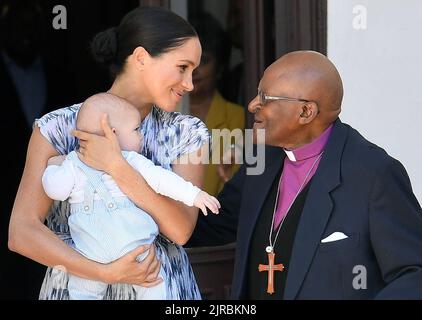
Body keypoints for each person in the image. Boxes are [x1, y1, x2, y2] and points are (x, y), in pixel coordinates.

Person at [9, 6, 209, 300]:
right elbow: (22, 233)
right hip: (77, 288)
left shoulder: (188, 133)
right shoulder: (58, 128)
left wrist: (118, 166)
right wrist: (105, 273)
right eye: (182, 67)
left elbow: (180, 230)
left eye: (193, 71)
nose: (190, 84)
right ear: (141, 58)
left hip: (160, 287)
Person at [187, 50, 422, 299]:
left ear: (305, 112)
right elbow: (213, 222)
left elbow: (414, 272)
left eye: (265, 97)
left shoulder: (374, 173)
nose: (253, 104)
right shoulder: (263, 160)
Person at [42, 93, 220, 300]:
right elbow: (57, 190)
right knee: (82, 291)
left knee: (153, 282)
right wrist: (54, 169)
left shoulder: (131, 161)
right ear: (113, 133)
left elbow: (163, 181)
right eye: (136, 130)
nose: (141, 136)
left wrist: (194, 195)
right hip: (90, 254)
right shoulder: (72, 163)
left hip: (134, 248)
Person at [0, 0, 75, 299]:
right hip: (2, 189)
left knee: (41, 271)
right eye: (17, 26)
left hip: (52, 194)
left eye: (31, 26)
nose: (25, 35)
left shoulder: (59, 75)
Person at [188, 12, 245, 196]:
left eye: (203, 61)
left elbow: (231, 186)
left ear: (220, 68)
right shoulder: (159, 115)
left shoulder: (239, 118)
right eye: (186, 62)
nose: (193, 70)